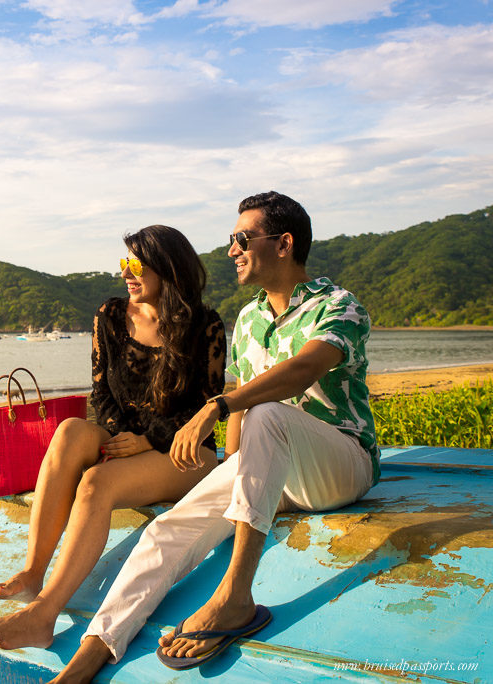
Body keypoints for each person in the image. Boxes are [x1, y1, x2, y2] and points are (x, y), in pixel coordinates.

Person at [50, 191, 380, 683]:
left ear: (284, 243)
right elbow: (244, 419)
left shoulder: (339, 305)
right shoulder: (249, 320)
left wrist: (217, 405)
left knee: (265, 411)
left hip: (339, 463)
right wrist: (229, 469)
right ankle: (91, 654)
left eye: (243, 239)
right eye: (231, 240)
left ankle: (234, 598)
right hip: (275, 464)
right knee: (168, 530)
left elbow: (301, 370)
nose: (231, 250)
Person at [0, 224, 227, 650]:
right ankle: (35, 570)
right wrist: (122, 434)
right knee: (71, 430)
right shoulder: (110, 315)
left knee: (96, 483)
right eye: (124, 262)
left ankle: (43, 613)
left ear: (168, 268)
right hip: (126, 440)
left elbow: (206, 406)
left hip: (186, 452)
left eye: (138, 264)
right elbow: (100, 390)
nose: (127, 272)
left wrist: (148, 441)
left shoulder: (205, 325)